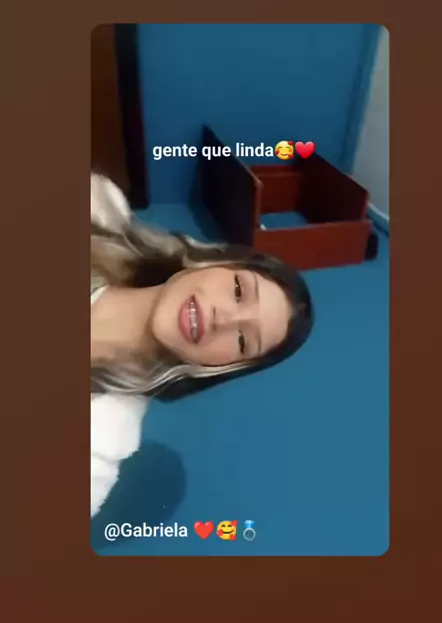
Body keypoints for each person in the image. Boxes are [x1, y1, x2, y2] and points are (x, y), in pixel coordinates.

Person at [90, 173, 314, 516]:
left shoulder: (100, 439)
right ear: (214, 261)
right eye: (238, 290)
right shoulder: (96, 208)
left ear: (222, 368)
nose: (223, 319)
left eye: (243, 340)